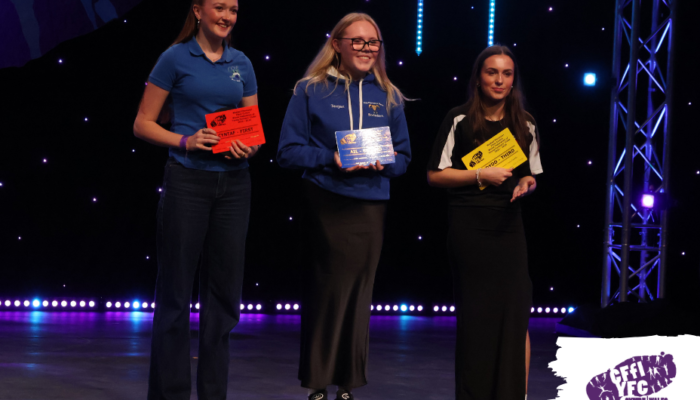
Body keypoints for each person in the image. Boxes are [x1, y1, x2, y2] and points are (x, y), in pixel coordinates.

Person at [277, 12, 411, 400]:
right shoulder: (310, 89)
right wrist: (330, 158)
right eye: (358, 41)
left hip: (371, 207)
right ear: (337, 45)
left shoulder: (388, 95)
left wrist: (385, 162)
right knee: (326, 290)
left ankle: (348, 384)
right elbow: (288, 151)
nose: (367, 49)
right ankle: (318, 382)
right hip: (326, 203)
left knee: (359, 293)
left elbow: (404, 158)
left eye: (373, 42)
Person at [132, 0, 259, 398]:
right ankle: (170, 393)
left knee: (224, 297)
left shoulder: (242, 63)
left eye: (233, 10)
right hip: (187, 181)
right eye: (219, 7)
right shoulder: (174, 57)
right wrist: (185, 141)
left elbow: (253, 131)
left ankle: (213, 393)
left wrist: (247, 146)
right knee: (175, 293)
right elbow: (142, 124)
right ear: (198, 11)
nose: (227, 16)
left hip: (234, 186)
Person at [426, 45, 543, 400]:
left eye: (507, 74)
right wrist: (480, 174)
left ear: (513, 81)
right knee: (477, 319)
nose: (499, 80)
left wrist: (526, 183)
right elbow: (435, 175)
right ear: (478, 77)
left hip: (509, 227)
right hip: (470, 228)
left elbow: (531, 174)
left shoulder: (526, 122)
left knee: (515, 314)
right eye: (492, 72)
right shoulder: (459, 119)